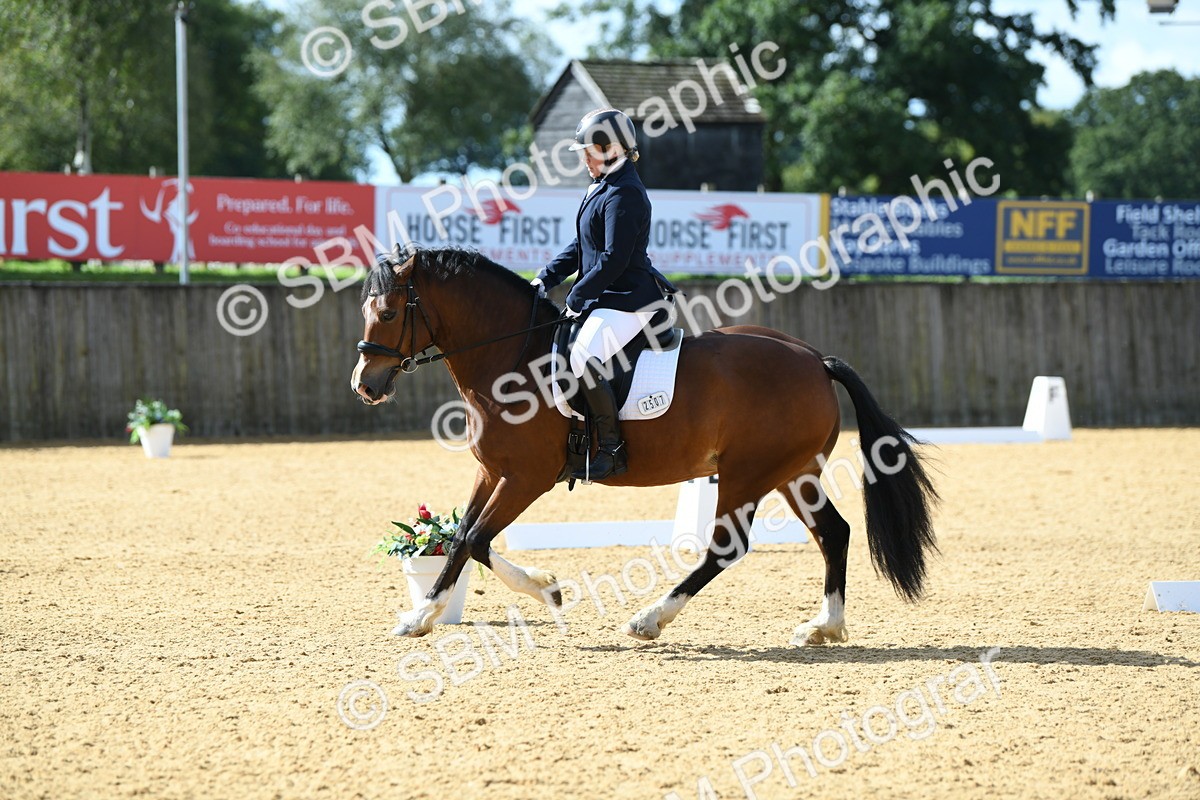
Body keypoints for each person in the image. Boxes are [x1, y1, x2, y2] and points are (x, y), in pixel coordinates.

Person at [532, 108, 677, 480]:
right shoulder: (601, 187)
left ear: (611, 148)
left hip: (629, 299)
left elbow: (613, 259)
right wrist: (545, 279)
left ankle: (612, 449)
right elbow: (581, 247)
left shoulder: (625, 192)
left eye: (589, 151)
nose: (583, 158)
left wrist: (576, 296)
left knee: (582, 357)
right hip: (607, 298)